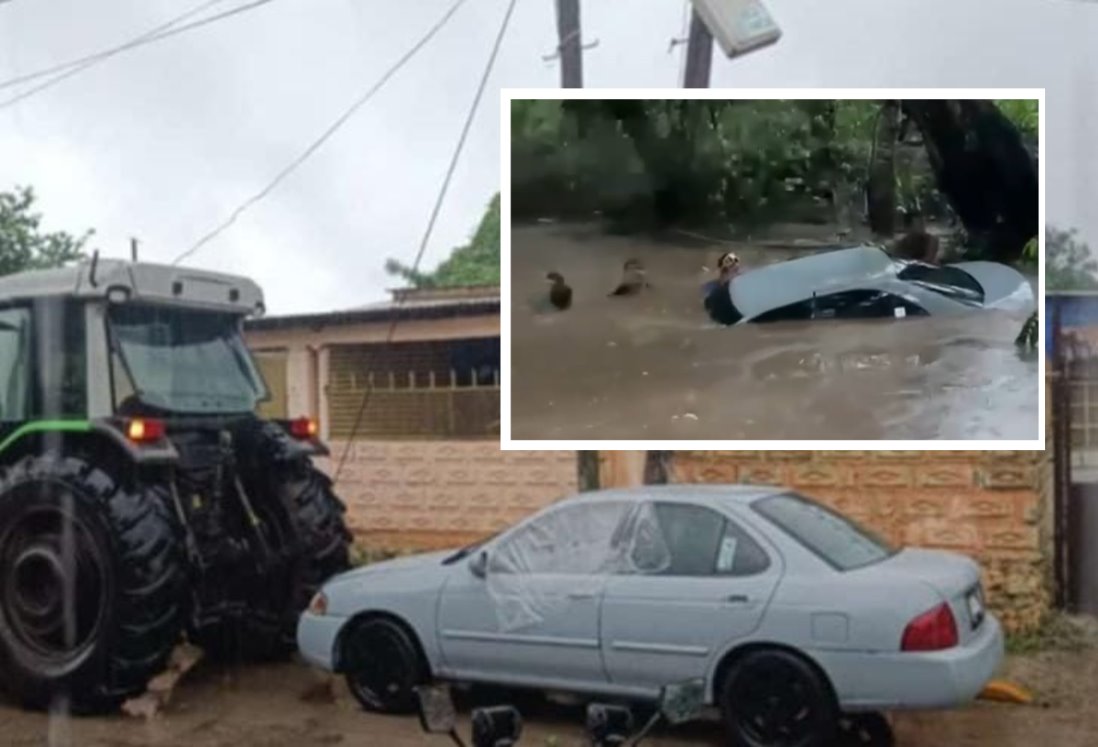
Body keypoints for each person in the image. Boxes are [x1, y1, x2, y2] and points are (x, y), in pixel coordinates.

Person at [702, 251, 744, 325]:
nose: (738, 274)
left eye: (737, 270)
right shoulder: (711, 287)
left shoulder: (739, 285)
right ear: (723, 271)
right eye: (734, 270)